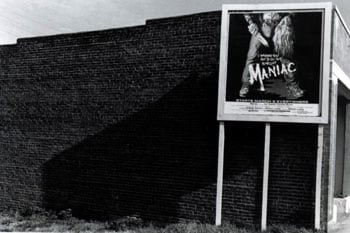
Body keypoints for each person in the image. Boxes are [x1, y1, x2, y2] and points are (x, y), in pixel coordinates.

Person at [239, 12, 304, 99]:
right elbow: (246, 10)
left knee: (286, 56)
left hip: (281, 25)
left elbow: (295, 9)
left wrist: (289, 17)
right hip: (261, 26)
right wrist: (251, 22)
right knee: (251, 56)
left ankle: (293, 86)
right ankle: (246, 84)